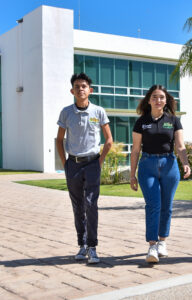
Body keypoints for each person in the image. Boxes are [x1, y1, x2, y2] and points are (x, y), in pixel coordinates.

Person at [130, 85, 191, 263]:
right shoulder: (141, 122)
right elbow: (135, 150)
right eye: (155, 97)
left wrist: (185, 163)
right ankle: (152, 245)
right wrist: (132, 175)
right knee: (153, 205)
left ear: (166, 101)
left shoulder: (173, 120)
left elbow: (180, 146)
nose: (158, 100)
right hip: (147, 165)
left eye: (162, 97)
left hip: (169, 166)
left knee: (167, 206)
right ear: (149, 100)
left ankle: (162, 240)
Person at [56, 73, 113, 264]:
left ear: (90, 90)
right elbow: (59, 139)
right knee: (78, 206)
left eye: (84, 86)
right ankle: (81, 244)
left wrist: (100, 161)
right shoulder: (66, 112)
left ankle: (92, 247)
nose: (81, 89)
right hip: (73, 164)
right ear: (72, 91)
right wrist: (65, 164)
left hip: (92, 164)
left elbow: (109, 140)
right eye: (77, 86)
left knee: (91, 204)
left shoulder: (99, 112)